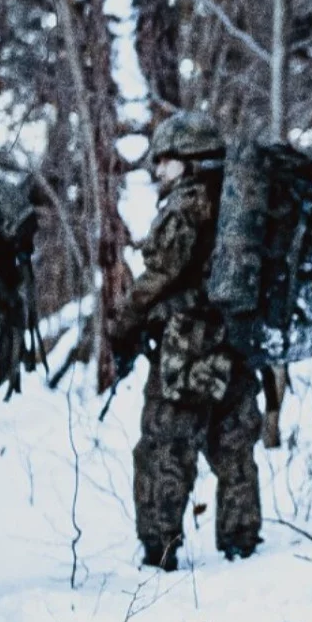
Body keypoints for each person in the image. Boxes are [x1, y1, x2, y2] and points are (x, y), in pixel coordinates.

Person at [110, 110, 263, 571]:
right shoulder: (241, 206)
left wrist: (124, 325)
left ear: (190, 160)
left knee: (164, 445)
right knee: (233, 446)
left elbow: (158, 276)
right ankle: (243, 546)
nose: (158, 170)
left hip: (188, 349)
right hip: (234, 343)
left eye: (166, 160)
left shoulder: (187, 205)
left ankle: (159, 550)